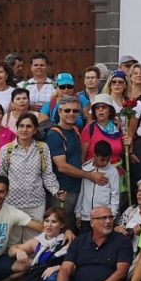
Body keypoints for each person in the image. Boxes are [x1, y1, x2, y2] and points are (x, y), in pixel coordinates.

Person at [0, 113, 63, 228]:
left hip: (36, 203)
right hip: (12, 202)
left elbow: (47, 174)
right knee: (13, 240)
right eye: (21, 126)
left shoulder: (42, 148)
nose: (24, 129)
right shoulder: (6, 150)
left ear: (35, 130)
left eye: (29, 126)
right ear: (17, 128)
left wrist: (56, 190)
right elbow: (0, 176)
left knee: (33, 240)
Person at [45, 97, 90, 227]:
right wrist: (90, 176)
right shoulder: (54, 135)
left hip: (77, 188)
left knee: (71, 227)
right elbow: (62, 167)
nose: (71, 113)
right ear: (59, 111)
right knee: (58, 226)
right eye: (67, 110)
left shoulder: (75, 130)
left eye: (75, 111)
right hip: (62, 190)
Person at [76, 141, 122, 234]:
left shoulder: (112, 172)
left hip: (104, 217)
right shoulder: (85, 169)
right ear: (94, 156)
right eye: (102, 160)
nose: (105, 162)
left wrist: (112, 214)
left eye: (108, 160)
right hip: (86, 216)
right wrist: (78, 213)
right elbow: (82, 192)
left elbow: (115, 194)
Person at [81, 94, 125, 164]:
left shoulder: (117, 127)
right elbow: (82, 157)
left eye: (103, 107)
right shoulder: (89, 129)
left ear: (110, 110)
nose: (100, 110)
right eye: (97, 107)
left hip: (116, 170)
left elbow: (122, 152)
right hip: (95, 172)